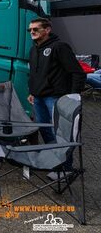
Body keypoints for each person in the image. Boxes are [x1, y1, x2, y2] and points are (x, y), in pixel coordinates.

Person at [27, 18, 85, 179]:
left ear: (47, 30)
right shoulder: (33, 50)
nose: (32, 32)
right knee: (45, 131)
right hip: (38, 98)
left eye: (36, 29)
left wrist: (73, 96)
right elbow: (34, 74)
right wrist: (32, 91)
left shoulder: (60, 47)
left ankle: (65, 169)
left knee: (61, 134)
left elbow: (77, 72)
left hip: (56, 98)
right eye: (30, 30)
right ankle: (54, 162)